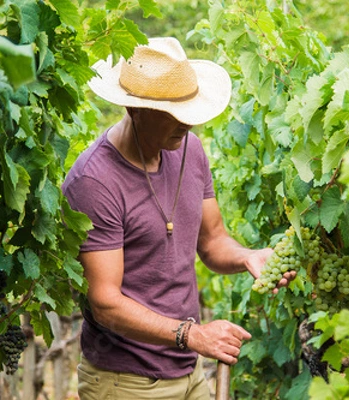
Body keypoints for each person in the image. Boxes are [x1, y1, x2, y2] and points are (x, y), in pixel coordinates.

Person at [62, 37, 296, 399]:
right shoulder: (95, 181)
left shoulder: (189, 148)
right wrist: (194, 335)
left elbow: (213, 240)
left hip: (189, 373)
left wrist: (249, 256)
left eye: (188, 107)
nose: (186, 122)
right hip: (126, 382)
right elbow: (105, 303)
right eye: (171, 111)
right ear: (134, 109)